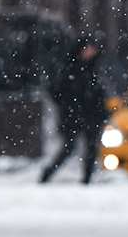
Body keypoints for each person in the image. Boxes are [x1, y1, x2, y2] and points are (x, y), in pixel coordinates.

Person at [40, 34, 108, 184]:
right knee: (69, 148)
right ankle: (48, 173)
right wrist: (67, 106)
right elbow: (56, 91)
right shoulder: (70, 70)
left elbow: (100, 96)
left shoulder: (95, 70)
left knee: (91, 149)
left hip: (91, 116)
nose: (90, 52)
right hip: (72, 115)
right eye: (87, 49)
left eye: (92, 49)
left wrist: (102, 116)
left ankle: (86, 180)